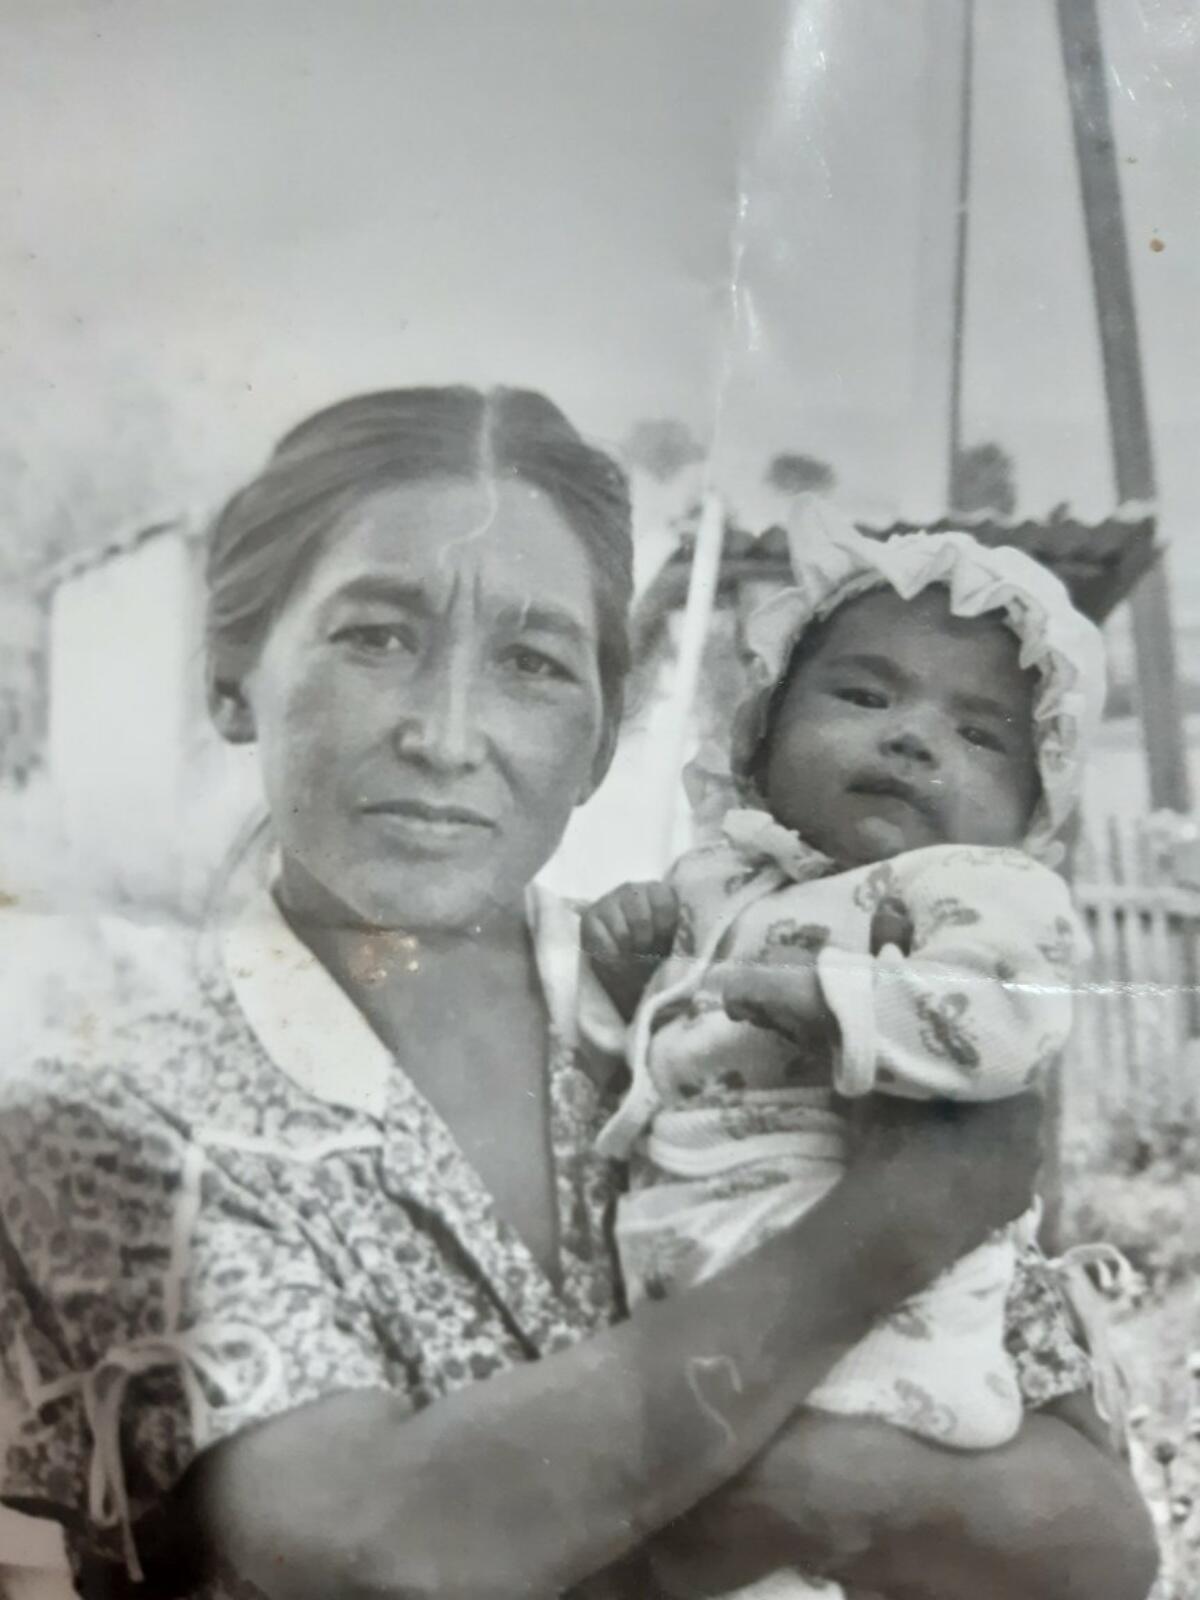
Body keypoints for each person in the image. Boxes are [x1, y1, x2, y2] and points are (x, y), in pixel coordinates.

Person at [0, 390, 1156, 1600]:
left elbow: (1094, 1541)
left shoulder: (688, 993)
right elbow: (383, 1551)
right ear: (237, 675)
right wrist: (886, 1230)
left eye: (533, 662)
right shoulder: (111, 1122)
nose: (447, 736)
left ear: (602, 734)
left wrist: (804, 1482)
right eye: (378, 637)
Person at [582, 514, 1145, 1595]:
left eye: (980, 733)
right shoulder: (724, 879)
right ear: (761, 733)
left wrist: (840, 1002)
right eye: (865, 696)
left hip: (882, 1299)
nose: (914, 738)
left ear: (1032, 804)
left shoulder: (979, 893)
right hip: (703, 1257)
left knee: (806, 1489)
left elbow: (998, 1017)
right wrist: (629, 970)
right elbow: (662, 1034)